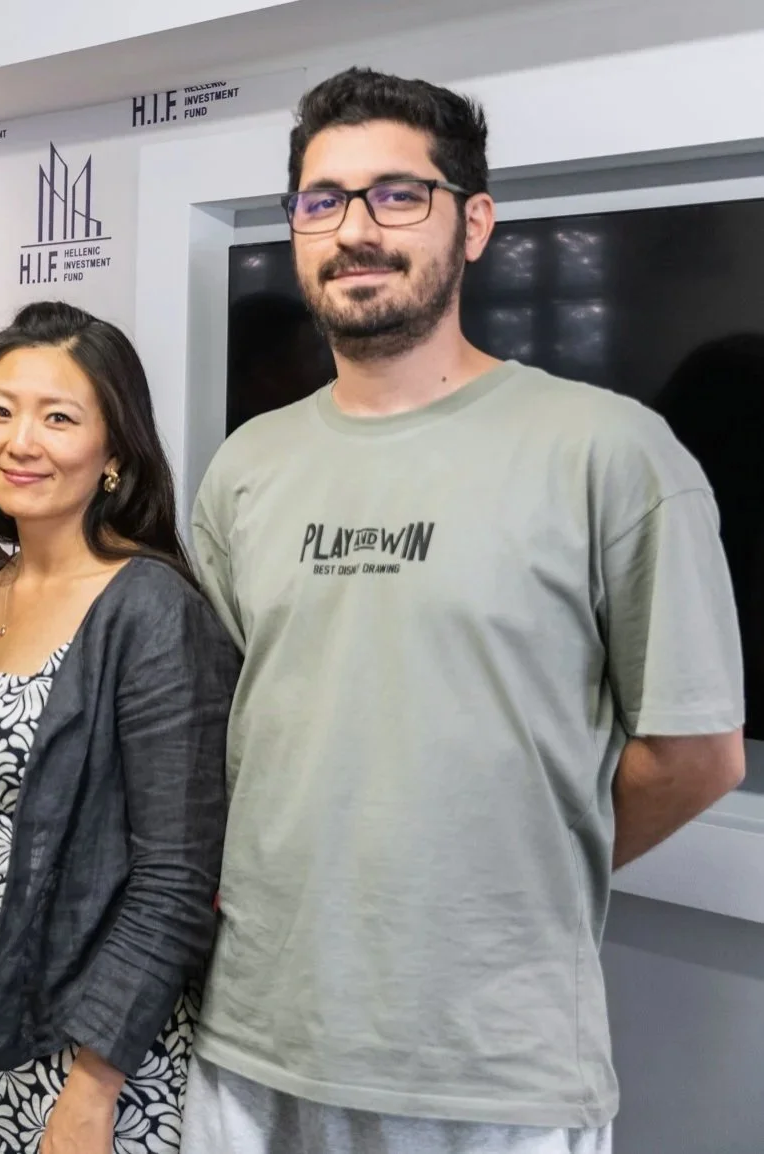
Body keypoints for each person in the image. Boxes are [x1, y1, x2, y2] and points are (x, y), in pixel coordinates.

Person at [183, 68, 746, 1154]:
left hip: (492, 1070)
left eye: (398, 195)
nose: (355, 229)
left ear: (473, 221)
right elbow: (223, 731)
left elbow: (697, 753)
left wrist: (511, 860)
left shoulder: (611, 451)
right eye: (322, 199)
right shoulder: (247, 467)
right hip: (253, 1045)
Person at [0, 302, 238, 1154]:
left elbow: (174, 879)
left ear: (113, 453)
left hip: (90, 1036)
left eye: (58, 417)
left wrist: (94, 1085)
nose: (19, 441)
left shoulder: (151, 608)